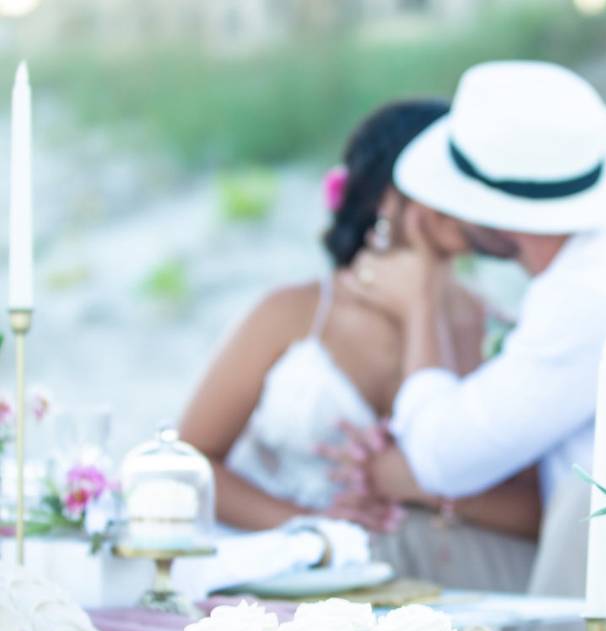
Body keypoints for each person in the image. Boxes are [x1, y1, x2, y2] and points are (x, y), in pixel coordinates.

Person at [326, 61, 606, 631]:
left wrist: (419, 307)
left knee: (382, 561)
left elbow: (441, 459)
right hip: (600, 556)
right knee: (387, 545)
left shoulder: (584, 298)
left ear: (490, 210)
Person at [177, 100, 540, 593]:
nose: (472, 195)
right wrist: (313, 528)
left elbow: (538, 507)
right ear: (389, 195)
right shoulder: (291, 312)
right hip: (279, 577)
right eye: (450, 178)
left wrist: (422, 307)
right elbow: (192, 460)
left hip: (433, 585)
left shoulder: (497, 327)